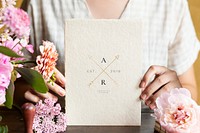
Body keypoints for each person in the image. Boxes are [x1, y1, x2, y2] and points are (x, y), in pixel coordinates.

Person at [18, 0, 200, 110]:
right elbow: (12, 80)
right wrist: (23, 91)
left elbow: (189, 88)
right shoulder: (40, 3)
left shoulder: (170, 4)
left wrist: (177, 96)